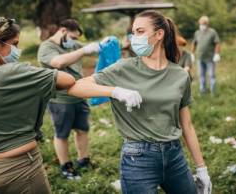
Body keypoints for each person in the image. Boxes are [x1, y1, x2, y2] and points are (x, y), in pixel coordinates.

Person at [68, 10, 212, 194]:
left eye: (140, 31)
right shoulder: (124, 68)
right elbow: (76, 87)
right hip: (138, 158)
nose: (133, 38)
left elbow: (187, 125)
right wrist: (115, 91)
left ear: (159, 35)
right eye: (133, 32)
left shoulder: (180, 75)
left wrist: (201, 168)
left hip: (174, 155)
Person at [0, 17, 75, 194]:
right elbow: (68, 80)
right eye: (14, 44)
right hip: (17, 167)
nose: (17, 51)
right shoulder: (12, 73)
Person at [38, 19, 106, 180]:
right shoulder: (47, 47)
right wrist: (84, 51)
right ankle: (66, 166)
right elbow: (58, 62)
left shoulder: (73, 45)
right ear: (62, 31)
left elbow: (87, 47)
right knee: (62, 134)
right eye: (73, 38)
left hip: (79, 96)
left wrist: (102, 44)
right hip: (60, 100)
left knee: (82, 130)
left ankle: (84, 160)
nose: (75, 42)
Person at [191, 16, 221, 94]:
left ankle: (212, 91)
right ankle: (202, 91)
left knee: (211, 75)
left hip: (210, 58)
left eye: (204, 24)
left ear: (207, 24)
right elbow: (194, 43)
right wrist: (192, 54)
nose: (202, 25)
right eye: (201, 24)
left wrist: (217, 54)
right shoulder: (197, 33)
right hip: (200, 58)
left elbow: (217, 43)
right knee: (201, 75)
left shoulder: (212, 32)